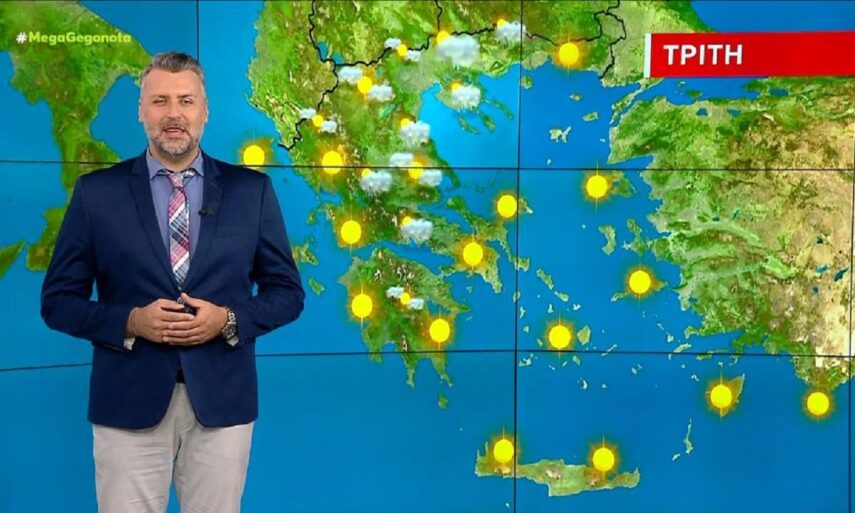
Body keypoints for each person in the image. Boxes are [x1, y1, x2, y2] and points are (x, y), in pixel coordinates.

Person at [40, 51, 305, 513]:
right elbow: (58, 301)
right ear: (141, 111)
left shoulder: (251, 192)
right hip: (127, 402)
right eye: (159, 101)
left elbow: (287, 294)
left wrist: (227, 320)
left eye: (186, 100)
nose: (173, 114)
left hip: (222, 402)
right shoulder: (97, 193)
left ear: (205, 110)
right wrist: (131, 322)